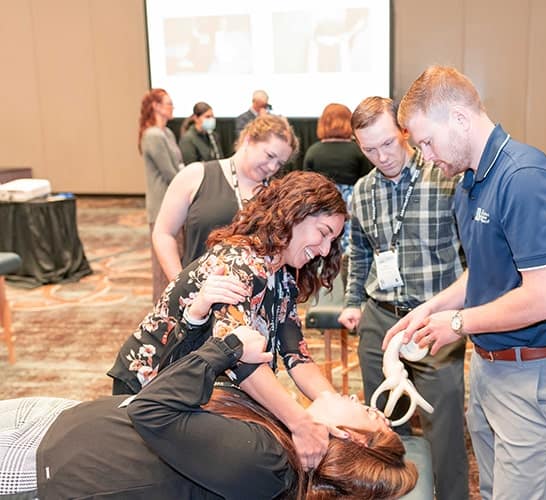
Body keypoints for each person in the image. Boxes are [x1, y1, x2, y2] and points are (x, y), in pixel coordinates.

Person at [392, 65, 546, 499]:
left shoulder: (523, 179)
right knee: (495, 491)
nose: (425, 155)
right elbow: (483, 272)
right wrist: (434, 307)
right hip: (491, 364)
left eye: (427, 141)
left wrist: (457, 324)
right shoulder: (467, 182)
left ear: (460, 119)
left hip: (536, 371)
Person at [110, 171, 348, 469]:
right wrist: (300, 422)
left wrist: (336, 405)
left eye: (333, 240)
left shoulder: (282, 276)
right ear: (295, 214)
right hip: (150, 382)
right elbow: (239, 359)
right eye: (323, 232)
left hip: (187, 385)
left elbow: (298, 357)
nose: (325, 250)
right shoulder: (237, 262)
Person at [0, 330, 418, 499]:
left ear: (352, 438)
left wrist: (228, 348)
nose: (357, 397)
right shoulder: (280, 440)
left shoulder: (268, 462)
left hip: (37, 461)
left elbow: (151, 408)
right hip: (54, 426)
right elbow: (181, 394)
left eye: (369, 413)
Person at [337, 96, 468, 500]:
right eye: (369, 149)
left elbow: (472, 255)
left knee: (443, 430)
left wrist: (464, 312)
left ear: (404, 132)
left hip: (434, 323)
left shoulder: (445, 179)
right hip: (381, 320)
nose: (382, 156)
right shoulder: (362, 191)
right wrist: (352, 301)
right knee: (383, 429)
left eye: (388, 144)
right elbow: (359, 253)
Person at [153, 114, 298, 282]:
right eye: (270, 156)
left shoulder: (276, 195)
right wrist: (180, 285)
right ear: (249, 140)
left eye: (280, 163)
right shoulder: (196, 175)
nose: (273, 167)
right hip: (197, 296)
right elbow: (163, 233)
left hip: (254, 301)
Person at [303, 102, 372, 254]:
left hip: (320, 207)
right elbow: (368, 180)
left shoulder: (313, 151)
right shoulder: (358, 150)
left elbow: (305, 186)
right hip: (352, 207)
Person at [138, 88, 184, 303]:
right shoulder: (153, 135)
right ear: (156, 106)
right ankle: (161, 313)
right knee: (163, 268)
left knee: (176, 261)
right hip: (162, 207)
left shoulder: (167, 133)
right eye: (168, 103)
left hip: (175, 204)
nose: (172, 107)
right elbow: (170, 173)